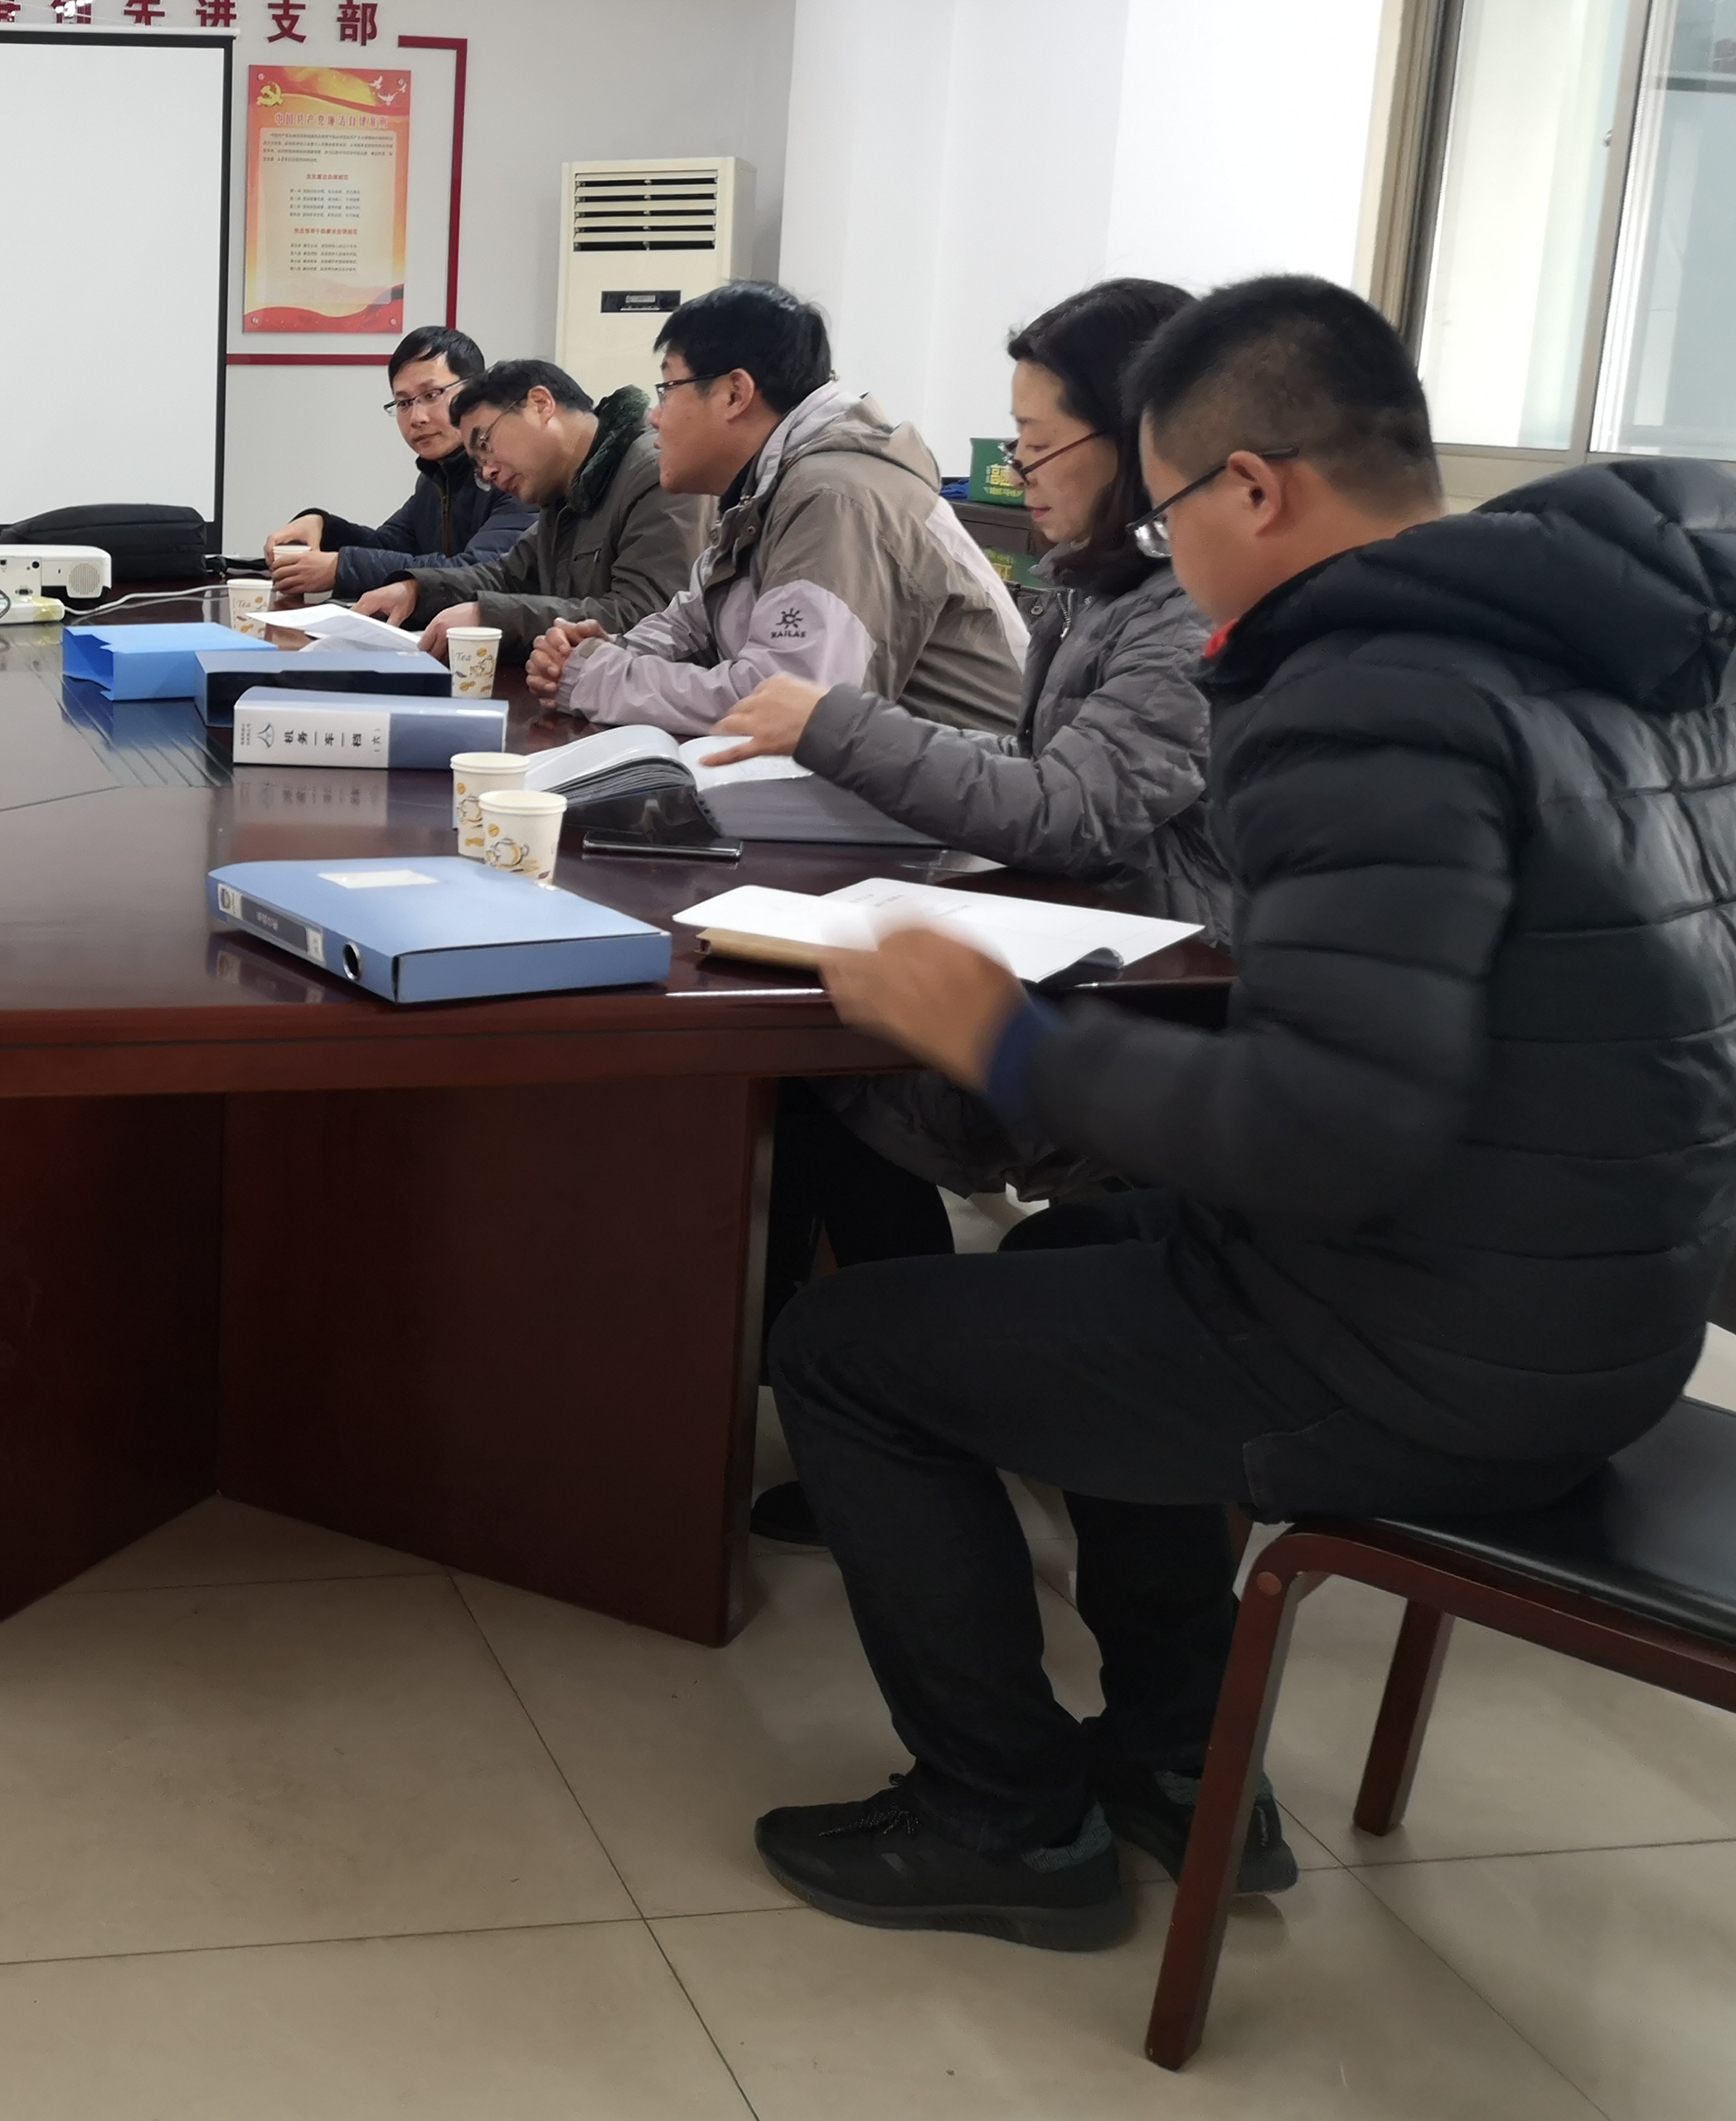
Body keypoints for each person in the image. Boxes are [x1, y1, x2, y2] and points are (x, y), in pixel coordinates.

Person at [753, 274, 1736, 1954]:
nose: (1162, 553)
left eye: (1165, 508)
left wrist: (995, 1037)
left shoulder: (1364, 689)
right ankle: (1174, 1758)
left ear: (1254, 489)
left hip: (1435, 1351)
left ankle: (1001, 1816)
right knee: (1079, 1250)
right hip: (1607, 1312)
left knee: (843, 1352)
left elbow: (1317, 1126)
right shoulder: (1615, 657)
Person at [711, 278, 1225, 1549]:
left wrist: (839, 727)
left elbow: (1074, 809)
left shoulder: (1185, 607)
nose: (1019, 473)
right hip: (1086, 943)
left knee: (834, 1084)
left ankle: (890, 1408)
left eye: (1040, 444)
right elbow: (1041, 772)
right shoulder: (1097, 587)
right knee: (816, 1084)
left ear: (1145, 441)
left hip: (1154, 995)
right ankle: (856, 1397)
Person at [525, 282, 1024, 738]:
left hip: (970, 799)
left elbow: (791, 706)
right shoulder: (768, 489)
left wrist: (600, 678)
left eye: (667, 389)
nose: (655, 417)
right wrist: (611, 651)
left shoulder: (834, 496)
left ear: (734, 394)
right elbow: (691, 624)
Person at [352, 358, 710, 658]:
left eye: (485, 444)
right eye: (478, 463)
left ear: (540, 405)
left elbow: (646, 617)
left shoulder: (654, 474)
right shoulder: (564, 490)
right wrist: (417, 590)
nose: (488, 472)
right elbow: (506, 576)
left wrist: (489, 617)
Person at [262, 327, 536, 601]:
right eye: (403, 403)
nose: (417, 418)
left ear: (473, 391)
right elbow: (387, 546)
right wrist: (323, 527)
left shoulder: (512, 473)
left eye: (431, 395)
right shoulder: (436, 477)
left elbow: (480, 571)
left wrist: (341, 568)